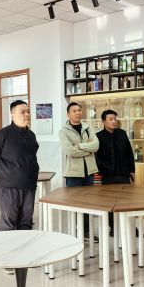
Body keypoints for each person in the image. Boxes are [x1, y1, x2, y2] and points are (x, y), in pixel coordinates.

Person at [0, 100, 39, 232]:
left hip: (29, 186)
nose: (27, 114)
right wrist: (5, 173)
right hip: (9, 187)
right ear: (12, 114)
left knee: (26, 223)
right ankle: (7, 246)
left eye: (28, 111)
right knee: (8, 224)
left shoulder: (31, 135)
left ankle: (24, 245)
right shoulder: (1, 135)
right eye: (23, 112)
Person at [59, 102, 99, 241]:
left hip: (90, 172)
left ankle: (86, 232)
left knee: (88, 204)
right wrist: (87, 150)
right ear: (68, 114)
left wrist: (80, 146)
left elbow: (96, 146)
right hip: (73, 174)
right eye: (74, 111)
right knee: (75, 204)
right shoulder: (63, 131)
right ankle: (74, 233)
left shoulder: (87, 128)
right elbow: (70, 151)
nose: (78, 113)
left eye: (79, 110)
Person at [95, 109, 135, 235]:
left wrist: (132, 170)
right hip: (108, 176)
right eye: (110, 119)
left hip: (123, 174)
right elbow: (96, 158)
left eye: (115, 119)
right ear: (104, 122)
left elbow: (129, 152)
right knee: (110, 203)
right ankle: (113, 227)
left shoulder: (122, 133)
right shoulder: (98, 136)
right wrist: (101, 172)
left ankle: (130, 227)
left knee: (127, 201)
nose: (114, 121)